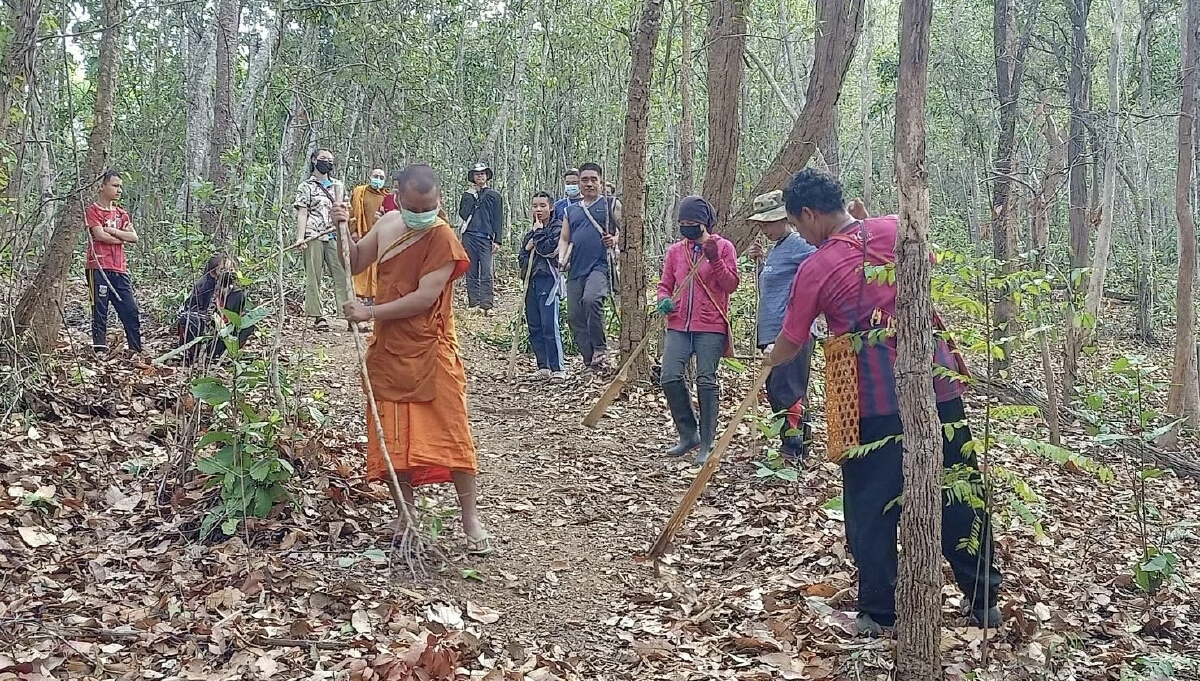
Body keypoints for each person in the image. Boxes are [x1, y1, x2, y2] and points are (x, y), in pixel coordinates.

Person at [766, 168, 1002, 636]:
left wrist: (770, 360)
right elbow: (920, 267)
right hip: (937, 387)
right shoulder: (894, 228)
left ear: (810, 215)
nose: (802, 236)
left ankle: (878, 611)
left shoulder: (816, 266)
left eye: (799, 224)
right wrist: (870, 225)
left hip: (868, 399)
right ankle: (984, 600)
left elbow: (793, 338)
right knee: (958, 491)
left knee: (870, 504)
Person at [334, 163, 492, 555]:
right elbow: (354, 262)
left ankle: (469, 517)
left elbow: (425, 297)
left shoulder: (442, 235)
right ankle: (405, 513)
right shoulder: (387, 224)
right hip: (389, 348)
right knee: (395, 433)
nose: (424, 213)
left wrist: (369, 312)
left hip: (432, 347)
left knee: (451, 430)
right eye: (416, 206)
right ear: (399, 197)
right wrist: (342, 227)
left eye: (431, 205)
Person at [654, 196, 739, 463]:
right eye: (683, 222)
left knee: (706, 379)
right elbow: (665, 284)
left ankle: (707, 441)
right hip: (679, 323)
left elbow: (730, 284)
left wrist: (714, 259)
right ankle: (688, 434)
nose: (687, 227)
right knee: (669, 376)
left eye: (692, 222)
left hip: (710, 324)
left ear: (704, 223)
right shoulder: (675, 252)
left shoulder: (723, 247)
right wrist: (662, 301)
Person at [745, 189, 817, 461]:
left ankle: (794, 448)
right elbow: (772, 287)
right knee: (776, 391)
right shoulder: (777, 250)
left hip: (791, 332)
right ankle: (792, 444)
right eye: (761, 223)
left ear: (784, 218)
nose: (764, 228)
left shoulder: (799, 244)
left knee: (789, 390)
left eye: (768, 222)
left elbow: (819, 264)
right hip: (771, 333)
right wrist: (762, 263)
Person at [557, 162, 621, 371]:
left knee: (592, 300)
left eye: (594, 179)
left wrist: (614, 239)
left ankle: (601, 349)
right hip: (576, 268)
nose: (589, 184)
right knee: (574, 315)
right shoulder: (571, 210)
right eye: (585, 180)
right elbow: (565, 238)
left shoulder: (611, 204)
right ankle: (589, 358)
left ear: (601, 181)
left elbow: (624, 230)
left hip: (601, 265)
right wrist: (562, 257)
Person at [85, 169, 142, 353]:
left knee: (130, 309)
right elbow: (99, 235)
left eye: (120, 187)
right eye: (115, 186)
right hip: (98, 267)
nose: (119, 190)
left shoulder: (121, 214)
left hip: (120, 268)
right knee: (100, 310)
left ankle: (136, 349)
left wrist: (114, 232)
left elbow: (134, 237)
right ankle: (100, 349)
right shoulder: (93, 210)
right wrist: (121, 237)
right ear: (102, 186)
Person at [293, 148, 349, 331]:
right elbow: (303, 213)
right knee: (314, 276)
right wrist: (300, 238)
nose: (327, 162)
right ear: (314, 160)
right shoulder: (306, 186)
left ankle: (349, 315)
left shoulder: (338, 186)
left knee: (342, 274)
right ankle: (318, 316)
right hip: (313, 234)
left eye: (330, 160)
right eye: (323, 159)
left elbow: (345, 210)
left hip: (334, 234)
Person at [519, 192, 566, 380]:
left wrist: (538, 235)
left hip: (549, 279)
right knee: (535, 324)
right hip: (531, 280)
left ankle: (557, 368)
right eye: (535, 206)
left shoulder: (558, 228)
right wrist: (528, 247)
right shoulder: (531, 231)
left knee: (549, 324)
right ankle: (543, 366)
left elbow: (549, 250)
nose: (538, 210)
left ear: (551, 207)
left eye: (542, 206)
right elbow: (522, 256)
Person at [177, 255, 255, 365]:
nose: (228, 272)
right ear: (214, 272)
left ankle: (229, 353)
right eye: (224, 269)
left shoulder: (238, 293)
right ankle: (195, 354)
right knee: (188, 319)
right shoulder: (203, 286)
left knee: (250, 323)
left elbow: (239, 315)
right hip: (205, 331)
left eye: (231, 269)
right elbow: (190, 310)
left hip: (225, 334)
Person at [457, 162, 503, 313]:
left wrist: (497, 240)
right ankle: (473, 303)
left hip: (486, 238)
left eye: (482, 174)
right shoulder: (467, 195)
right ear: (473, 177)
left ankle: (487, 304)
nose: (480, 177)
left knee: (486, 271)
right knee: (471, 269)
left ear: (487, 176)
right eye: (477, 174)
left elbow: (498, 218)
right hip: (469, 236)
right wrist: (471, 196)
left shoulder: (494, 196)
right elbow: (463, 214)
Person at [349, 168, 391, 303]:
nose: (377, 179)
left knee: (378, 269)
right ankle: (360, 297)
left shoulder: (386, 197)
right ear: (370, 176)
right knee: (362, 268)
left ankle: (374, 298)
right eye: (375, 176)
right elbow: (352, 212)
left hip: (381, 238)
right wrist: (354, 230)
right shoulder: (359, 192)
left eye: (381, 177)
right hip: (362, 235)